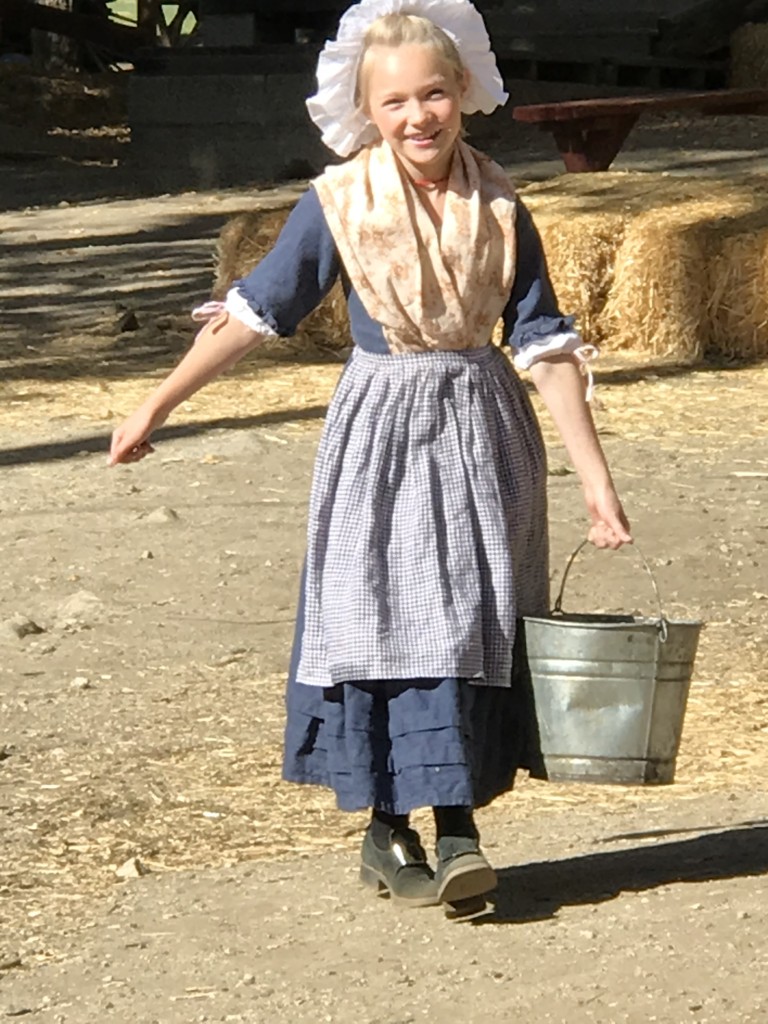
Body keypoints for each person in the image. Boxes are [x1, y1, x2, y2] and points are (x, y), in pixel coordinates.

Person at [109, 0, 632, 918]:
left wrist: (596, 482)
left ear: (465, 91)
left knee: (473, 614)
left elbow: (545, 346)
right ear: (366, 109)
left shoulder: (502, 205)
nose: (418, 116)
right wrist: (157, 400)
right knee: (383, 613)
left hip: (482, 429)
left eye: (434, 94)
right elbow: (255, 313)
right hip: (381, 437)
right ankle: (389, 827)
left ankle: (461, 825)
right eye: (395, 102)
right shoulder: (339, 204)